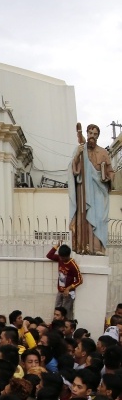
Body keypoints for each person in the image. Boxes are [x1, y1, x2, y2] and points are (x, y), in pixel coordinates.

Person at [69, 123, 114, 255]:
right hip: (84, 190)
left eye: (95, 134)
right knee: (84, 218)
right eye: (90, 133)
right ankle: (84, 246)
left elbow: (111, 172)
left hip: (99, 190)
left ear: (98, 136)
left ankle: (98, 247)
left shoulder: (103, 152)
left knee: (99, 218)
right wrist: (77, 155)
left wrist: (107, 177)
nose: (92, 136)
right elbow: (74, 168)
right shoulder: (80, 149)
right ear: (87, 134)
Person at [46, 243, 82, 319]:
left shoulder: (73, 265)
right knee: (57, 311)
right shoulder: (60, 258)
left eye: (63, 258)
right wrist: (56, 246)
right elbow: (49, 255)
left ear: (67, 256)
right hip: (60, 291)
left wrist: (69, 288)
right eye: (60, 257)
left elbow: (80, 280)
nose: (61, 259)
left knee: (65, 313)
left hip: (68, 294)